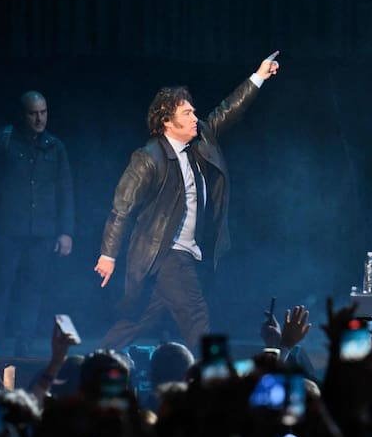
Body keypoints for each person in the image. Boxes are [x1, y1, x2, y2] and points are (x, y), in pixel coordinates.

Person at [95, 53, 281, 351]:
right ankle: (214, 381)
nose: (196, 119)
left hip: (187, 253)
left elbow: (228, 110)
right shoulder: (148, 157)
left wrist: (258, 76)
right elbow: (122, 207)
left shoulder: (199, 142)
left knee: (138, 320)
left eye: (194, 113)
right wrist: (108, 254)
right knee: (197, 319)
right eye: (188, 115)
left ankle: (92, 363)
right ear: (167, 122)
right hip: (165, 253)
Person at [0, 92, 75, 356]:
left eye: (43, 112)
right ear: (22, 114)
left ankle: (24, 341)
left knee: (33, 290)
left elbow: (66, 191)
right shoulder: (2, 141)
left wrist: (65, 231)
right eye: (33, 113)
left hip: (41, 231)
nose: (39, 118)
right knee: (0, 286)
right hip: (7, 228)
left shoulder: (55, 146)